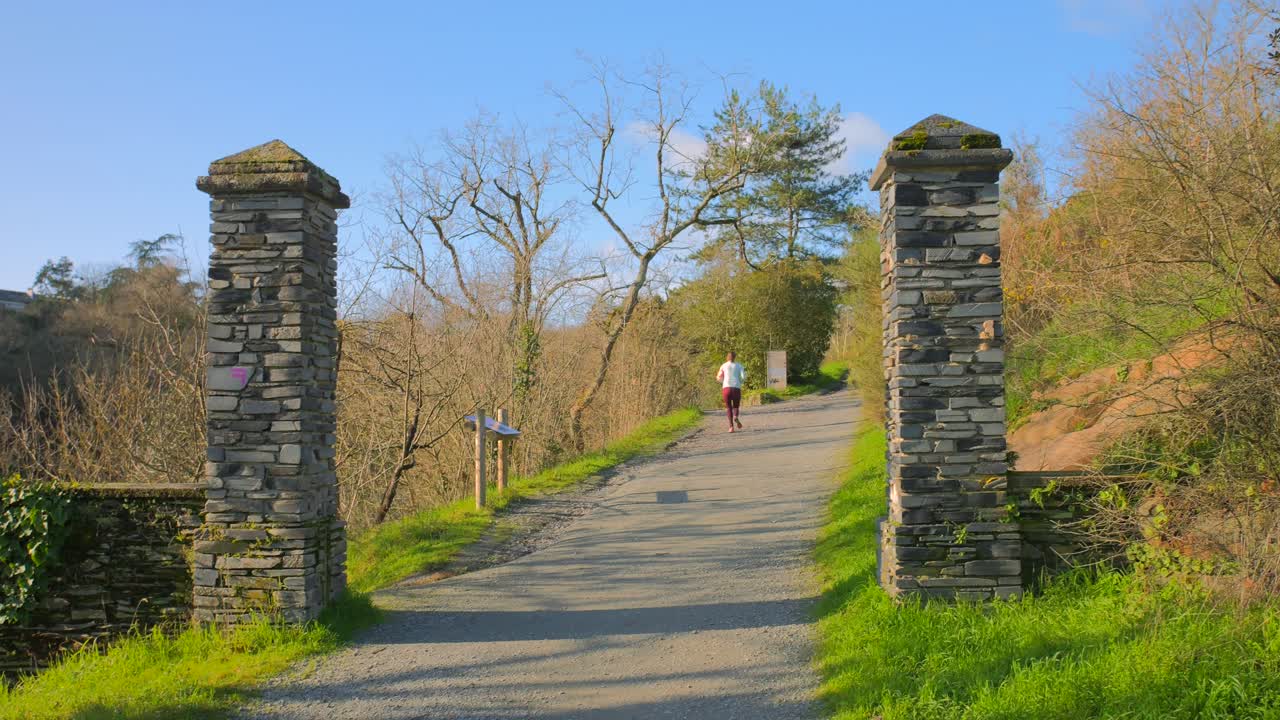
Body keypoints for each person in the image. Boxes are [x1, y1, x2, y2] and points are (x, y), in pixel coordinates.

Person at [716, 352, 745, 432]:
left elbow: (718, 377)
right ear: (735, 357)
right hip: (736, 388)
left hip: (726, 388)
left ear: (727, 357)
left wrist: (723, 382)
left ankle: (731, 427)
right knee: (736, 406)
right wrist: (740, 383)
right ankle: (735, 416)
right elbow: (743, 377)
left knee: (729, 408)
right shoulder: (739, 366)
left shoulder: (723, 365)